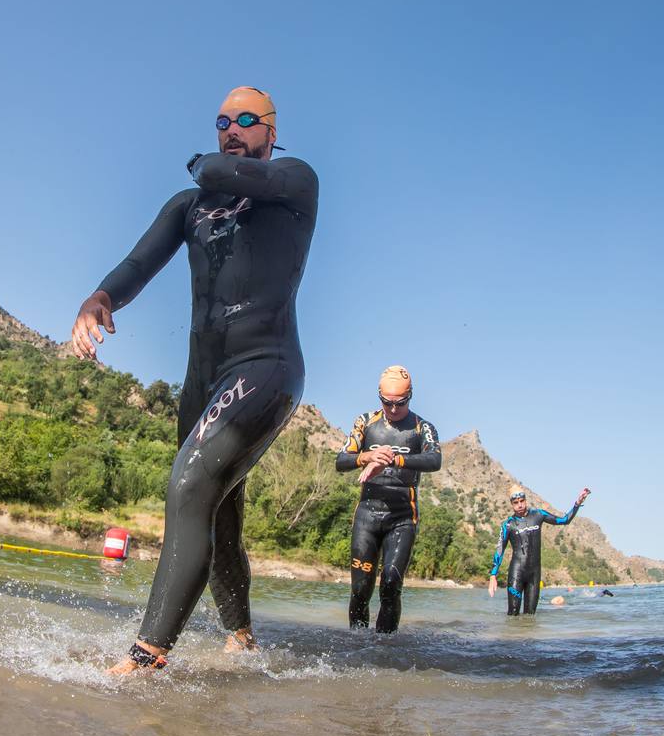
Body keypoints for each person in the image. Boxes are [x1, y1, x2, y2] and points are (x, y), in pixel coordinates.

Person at [69, 86, 318, 673]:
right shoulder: (190, 207)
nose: (232, 129)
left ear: (271, 132)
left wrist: (202, 163)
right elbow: (139, 263)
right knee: (217, 509)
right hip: (202, 378)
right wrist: (101, 297)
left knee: (188, 484)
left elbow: (215, 169)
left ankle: (146, 656)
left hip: (265, 365)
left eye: (246, 119)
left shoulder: (294, 181)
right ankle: (242, 638)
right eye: (222, 121)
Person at [335, 365, 442, 632]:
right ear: (379, 396)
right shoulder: (365, 421)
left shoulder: (422, 427)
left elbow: (434, 459)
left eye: (400, 403)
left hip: (402, 517)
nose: (393, 409)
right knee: (360, 588)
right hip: (367, 516)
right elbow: (341, 460)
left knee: (391, 585)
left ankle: (386, 648)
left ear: (410, 396)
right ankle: (357, 645)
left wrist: (394, 459)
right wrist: (367, 456)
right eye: (387, 402)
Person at [488, 486, 591, 615]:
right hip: (516, 573)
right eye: (516, 502)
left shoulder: (538, 515)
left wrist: (577, 504)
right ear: (512, 504)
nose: (520, 505)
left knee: (530, 616)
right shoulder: (508, 525)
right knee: (513, 614)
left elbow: (564, 520)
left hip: (534, 575)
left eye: (522, 501)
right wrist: (493, 575)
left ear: (525, 500)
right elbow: (500, 549)